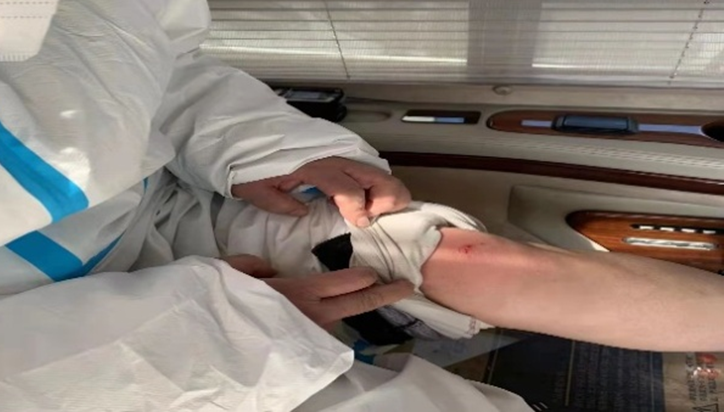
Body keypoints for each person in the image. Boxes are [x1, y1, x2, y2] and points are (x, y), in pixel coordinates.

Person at [0, 0, 533, 410]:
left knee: (428, 246)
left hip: (161, 216)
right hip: (74, 363)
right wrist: (217, 331)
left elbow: (160, 68)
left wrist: (269, 151)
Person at [216, 194, 724, 353]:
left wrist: (270, 157)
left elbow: (190, 89)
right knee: (463, 266)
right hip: (188, 304)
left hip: (208, 207)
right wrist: (223, 316)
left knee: (462, 260)